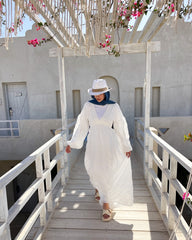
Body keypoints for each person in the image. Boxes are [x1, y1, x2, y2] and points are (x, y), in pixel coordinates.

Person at [66, 79, 133, 221]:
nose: (98, 96)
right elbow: (82, 126)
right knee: (95, 169)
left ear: (106, 92)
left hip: (110, 143)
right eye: (95, 93)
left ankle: (106, 206)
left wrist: (126, 145)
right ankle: (98, 188)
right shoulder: (88, 106)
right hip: (94, 143)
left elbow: (121, 126)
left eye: (101, 93)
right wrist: (72, 143)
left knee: (108, 172)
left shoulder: (114, 107)